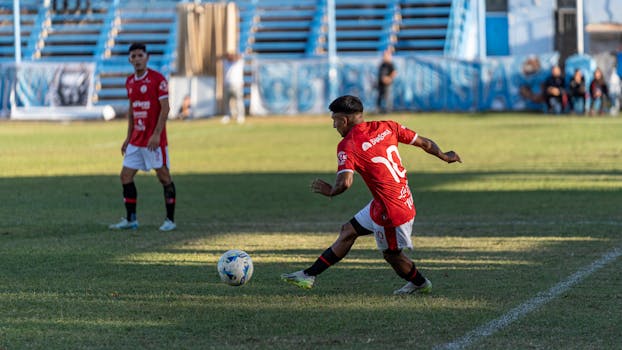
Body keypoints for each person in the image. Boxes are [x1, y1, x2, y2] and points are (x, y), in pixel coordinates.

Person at [281, 95, 461, 294]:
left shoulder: (348, 145)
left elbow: (345, 182)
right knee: (348, 230)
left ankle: (420, 283)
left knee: (392, 256)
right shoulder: (388, 126)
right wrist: (445, 156)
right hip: (397, 198)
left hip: (391, 212)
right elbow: (425, 143)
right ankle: (308, 275)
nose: (334, 126)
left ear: (344, 120)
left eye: (334, 120)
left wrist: (331, 190)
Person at [109, 43, 177, 232]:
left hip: (153, 140)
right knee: (125, 176)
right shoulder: (130, 81)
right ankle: (131, 219)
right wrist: (127, 137)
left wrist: (156, 134)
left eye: (140, 55)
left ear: (147, 57)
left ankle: (170, 220)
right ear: (130, 60)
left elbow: (165, 108)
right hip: (136, 140)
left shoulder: (158, 80)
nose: (137, 59)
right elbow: (132, 110)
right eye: (134, 56)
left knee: (164, 177)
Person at [221, 52, 245, 124]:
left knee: (239, 101)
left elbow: (240, 56)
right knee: (226, 102)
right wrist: (229, 55)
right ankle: (227, 115)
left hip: (237, 84)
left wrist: (234, 56)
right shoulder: (226, 62)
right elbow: (223, 56)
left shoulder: (239, 63)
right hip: (227, 84)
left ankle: (240, 116)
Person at [376, 49, 397, 113]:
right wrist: (382, 78)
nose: (384, 57)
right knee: (379, 96)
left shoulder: (390, 64)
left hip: (388, 84)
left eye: (386, 55)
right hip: (381, 83)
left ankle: (388, 110)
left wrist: (389, 79)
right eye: (384, 55)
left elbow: (394, 72)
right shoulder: (382, 64)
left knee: (388, 97)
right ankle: (378, 110)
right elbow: (380, 73)